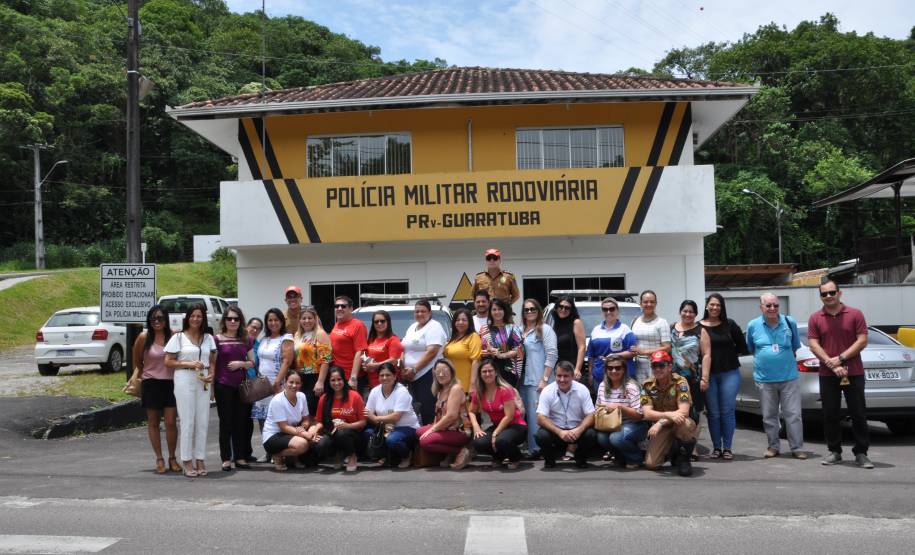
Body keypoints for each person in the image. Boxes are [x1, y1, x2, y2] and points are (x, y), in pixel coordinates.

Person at [807, 280, 872, 468]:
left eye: (832, 292)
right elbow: (813, 344)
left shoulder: (855, 314)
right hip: (828, 374)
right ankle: (834, 451)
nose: (828, 296)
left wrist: (841, 358)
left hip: (854, 372)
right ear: (820, 296)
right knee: (830, 414)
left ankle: (861, 453)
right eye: (824, 294)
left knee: (858, 413)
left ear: (839, 293)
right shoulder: (815, 318)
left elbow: (862, 341)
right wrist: (831, 363)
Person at [745, 293, 805, 460]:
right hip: (764, 379)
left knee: (793, 414)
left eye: (775, 305)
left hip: (788, 378)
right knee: (769, 416)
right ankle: (773, 446)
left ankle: (797, 448)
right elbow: (751, 347)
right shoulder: (753, 325)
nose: (772, 308)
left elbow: (794, 347)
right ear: (761, 307)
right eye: (768, 305)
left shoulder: (789, 322)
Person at [164, 304, 217, 477]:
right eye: (193, 316)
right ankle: (186, 459)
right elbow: (168, 361)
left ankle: (200, 458)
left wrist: (212, 374)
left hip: (203, 380)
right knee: (187, 421)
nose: (196, 319)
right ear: (187, 318)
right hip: (184, 378)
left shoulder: (208, 338)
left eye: (199, 316)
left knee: (203, 420)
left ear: (203, 318)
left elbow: (213, 360)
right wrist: (188, 363)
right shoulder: (178, 337)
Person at [700, 293, 748, 460]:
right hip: (708, 375)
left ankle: (727, 447)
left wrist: (728, 354)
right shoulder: (699, 327)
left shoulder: (730, 324)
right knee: (713, 413)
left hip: (730, 373)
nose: (715, 308)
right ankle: (716, 448)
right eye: (712, 304)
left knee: (727, 411)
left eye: (718, 305)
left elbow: (743, 346)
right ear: (707, 306)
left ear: (722, 308)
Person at [132, 305, 179, 474]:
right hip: (151, 383)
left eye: (160, 318)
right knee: (153, 422)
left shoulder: (173, 336)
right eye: (153, 318)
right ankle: (159, 458)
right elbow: (137, 361)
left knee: (170, 422)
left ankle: (172, 457)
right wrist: (147, 373)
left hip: (170, 383)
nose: (157, 321)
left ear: (166, 319)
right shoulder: (144, 337)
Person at [641, 350, 697, 476]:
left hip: (679, 422)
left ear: (670, 367)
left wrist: (661, 421)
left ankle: (684, 458)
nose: (657, 369)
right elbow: (647, 413)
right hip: (664, 426)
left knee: (684, 424)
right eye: (654, 366)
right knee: (651, 464)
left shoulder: (680, 382)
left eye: (661, 365)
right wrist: (669, 416)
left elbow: (683, 412)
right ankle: (673, 451)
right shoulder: (647, 385)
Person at [213, 306, 255, 471]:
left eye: (236, 319)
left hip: (241, 386)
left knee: (241, 422)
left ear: (240, 321)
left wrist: (241, 364)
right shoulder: (217, 339)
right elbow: (213, 364)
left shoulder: (246, 339)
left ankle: (240, 457)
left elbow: (253, 362)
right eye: (229, 318)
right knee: (226, 422)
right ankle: (225, 458)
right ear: (224, 320)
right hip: (223, 385)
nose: (232, 321)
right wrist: (211, 388)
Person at [250, 308, 294, 461]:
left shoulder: (286, 338)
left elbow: (286, 361)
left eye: (276, 320)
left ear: (281, 321)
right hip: (261, 385)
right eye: (270, 320)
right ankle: (268, 451)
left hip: (277, 384)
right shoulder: (264, 339)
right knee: (263, 420)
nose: (273, 323)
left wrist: (276, 383)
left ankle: (282, 452)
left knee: (279, 420)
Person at [670, 300, 711, 460]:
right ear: (680, 311)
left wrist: (705, 378)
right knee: (675, 411)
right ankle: (674, 444)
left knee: (694, 412)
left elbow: (707, 355)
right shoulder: (672, 328)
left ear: (696, 314)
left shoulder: (701, 331)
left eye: (691, 312)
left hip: (693, 378)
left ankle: (691, 446)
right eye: (685, 311)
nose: (688, 314)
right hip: (672, 378)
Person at [536, 361, 597, 468]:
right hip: (556, 430)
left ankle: (581, 459)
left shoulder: (582, 389)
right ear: (555, 376)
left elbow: (591, 415)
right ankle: (550, 460)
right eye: (559, 376)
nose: (562, 380)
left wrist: (579, 430)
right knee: (541, 435)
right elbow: (540, 418)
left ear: (572, 376)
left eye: (566, 376)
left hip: (576, 429)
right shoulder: (547, 391)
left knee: (591, 434)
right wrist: (559, 432)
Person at [468, 358, 527, 469]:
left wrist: (495, 434)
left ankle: (516, 457)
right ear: (480, 375)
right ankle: (499, 456)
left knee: (501, 440)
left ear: (496, 373)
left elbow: (509, 416)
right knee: (478, 442)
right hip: (498, 426)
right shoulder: (479, 392)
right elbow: (471, 411)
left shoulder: (505, 389)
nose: (487, 374)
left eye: (490, 371)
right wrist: (476, 427)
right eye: (484, 372)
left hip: (516, 425)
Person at [519, 299, 557, 459]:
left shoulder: (545, 329)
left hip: (538, 380)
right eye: (526, 310)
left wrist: (545, 378)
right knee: (526, 415)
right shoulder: (519, 330)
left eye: (533, 309)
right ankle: (530, 447)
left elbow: (552, 354)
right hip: (522, 380)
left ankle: (538, 450)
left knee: (538, 416)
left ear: (539, 310)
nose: (529, 312)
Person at [596, 354, 648, 469]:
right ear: (606, 370)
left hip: (635, 424)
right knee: (601, 437)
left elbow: (640, 415)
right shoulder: (602, 386)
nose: (614, 371)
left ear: (624, 370)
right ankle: (620, 458)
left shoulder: (631, 386)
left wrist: (620, 407)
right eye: (610, 368)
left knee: (616, 438)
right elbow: (598, 408)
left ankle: (636, 458)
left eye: (618, 368)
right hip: (611, 422)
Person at [417, 359, 472, 469]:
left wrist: (432, 430)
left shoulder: (455, 388)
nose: (441, 374)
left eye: (444, 370)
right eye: (438, 371)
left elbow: (452, 416)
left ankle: (461, 451)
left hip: (459, 431)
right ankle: (449, 453)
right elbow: (438, 414)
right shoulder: (440, 390)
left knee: (425, 441)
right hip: (445, 429)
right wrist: (432, 427)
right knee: (418, 431)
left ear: (452, 371)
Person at [363, 362, 420, 468]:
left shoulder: (402, 391)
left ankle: (407, 456)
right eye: (381, 375)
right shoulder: (375, 391)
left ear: (394, 376)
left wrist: (376, 418)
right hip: (384, 427)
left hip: (406, 427)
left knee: (392, 439)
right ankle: (386, 456)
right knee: (368, 433)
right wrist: (381, 423)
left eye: (388, 375)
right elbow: (367, 412)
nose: (384, 378)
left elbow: (396, 416)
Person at [402, 299, 448, 425]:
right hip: (411, 377)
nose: (420, 314)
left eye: (423, 311)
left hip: (428, 375)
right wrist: (402, 367)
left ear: (430, 312)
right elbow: (404, 348)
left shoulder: (434, 326)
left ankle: (430, 438)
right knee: (414, 410)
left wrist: (414, 369)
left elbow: (432, 351)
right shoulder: (412, 327)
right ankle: (418, 437)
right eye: (417, 311)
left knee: (428, 409)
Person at [313, 367, 367, 472]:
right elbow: (319, 421)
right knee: (320, 445)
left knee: (342, 433)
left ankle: (352, 455)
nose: (336, 383)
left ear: (344, 380)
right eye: (333, 380)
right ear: (328, 382)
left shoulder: (354, 396)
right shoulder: (324, 398)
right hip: (331, 432)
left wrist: (348, 426)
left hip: (353, 435)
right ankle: (339, 454)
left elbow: (363, 422)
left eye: (339, 379)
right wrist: (315, 431)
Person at [261, 371, 317, 471]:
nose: (294, 385)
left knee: (313, 434)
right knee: (303, 444)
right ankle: (277, 455)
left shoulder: (302, 396)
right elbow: (284, 427)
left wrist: (303, 428)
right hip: (274, 436)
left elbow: (306, 419)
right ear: (285, 382)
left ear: (301, 384)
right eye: (291, 382)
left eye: (297, 383)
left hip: (291, 432)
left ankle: (293, 458)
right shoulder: (277, 400)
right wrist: (304, 434)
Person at [586, 297, 637, 393]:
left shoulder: (624, 329)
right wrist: (590, 374)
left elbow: (633, 352)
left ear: (617, 311)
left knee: (622, 406)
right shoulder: (596, 330)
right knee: (603, 406)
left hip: (622, 378)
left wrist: (616, 356)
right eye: (605, 309)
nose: (608, 312)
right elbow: (591, 355)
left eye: (612, 309)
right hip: (599, 377)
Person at [293, 306, 333, 416]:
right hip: (301, 378)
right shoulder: (297, 335)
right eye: (304, 318)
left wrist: (320, 382)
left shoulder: (320, 334)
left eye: (310, 318)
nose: (307, 321)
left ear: (315, 319)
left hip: (315, 377)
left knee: (313, 410)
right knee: (302, 411)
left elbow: (326, 360)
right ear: (300, 320)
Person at [479, 298, 524, 387]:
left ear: (504, 311)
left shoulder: (513, 328)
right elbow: (480, 349)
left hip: (507, 371)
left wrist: (502, 355)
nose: (497, 312)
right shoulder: (484, 329)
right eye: (494, 309)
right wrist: (484, 352)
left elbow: (519, 350)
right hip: (488, 371)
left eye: (500, 309)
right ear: (490, 312)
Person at [630, 290, 672, 383]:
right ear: (640, 303)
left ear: (656, 304)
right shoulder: (635, 321)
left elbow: (667, 347)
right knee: (642, 394)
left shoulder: (662, 322)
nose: (649, 304)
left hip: (657, 366)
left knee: (656, 394)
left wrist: (644, 352)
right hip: (638, 366)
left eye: (652, 302)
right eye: (645, 302)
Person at [329, 295, 368, 390]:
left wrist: (353, 377)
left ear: (351, 309)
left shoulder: (358, 325)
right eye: (336, 306)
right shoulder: (337, 324)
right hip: (338, 377)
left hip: (350, 378)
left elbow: (360, 351)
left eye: (343, 306)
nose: (339, 308)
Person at [239, 316, 263, 462]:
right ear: (247, 326)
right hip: (240, 383)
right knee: (239, 420)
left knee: (248, 422)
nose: (254, 330)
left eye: (258, 328)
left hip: (253, 386)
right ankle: (238, 453)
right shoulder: (239, 341)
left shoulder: (258, 345)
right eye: (252, 327)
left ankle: (247, 452)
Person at [364, 310, 404, 393]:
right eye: (376, 322)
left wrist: (375, 366)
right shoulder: (371, 340)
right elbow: (366, 357)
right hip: (371, 384)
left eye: (382, 321)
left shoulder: (393, 340)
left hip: (388, 384)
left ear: (388, 322)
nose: (379, 323)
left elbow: (393, 361)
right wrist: (365, 366)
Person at [443, 308, 482, 392]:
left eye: (464, 320)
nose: (460, 322)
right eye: (458, 320)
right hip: (451, 384)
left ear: (469, 322)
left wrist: (472, 385)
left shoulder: (473, 336)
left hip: (466, 385)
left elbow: (476, 361)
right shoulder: (452, 340)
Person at [550, 295, 586, 382]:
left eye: (567, 308)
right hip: (557, 370)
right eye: (561, 307)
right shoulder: (555, 323)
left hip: (571, 369)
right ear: (556, 308)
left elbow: (582, 347)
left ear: (571, 310)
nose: (563, 310)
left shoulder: (576, 322)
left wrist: (577, 369)